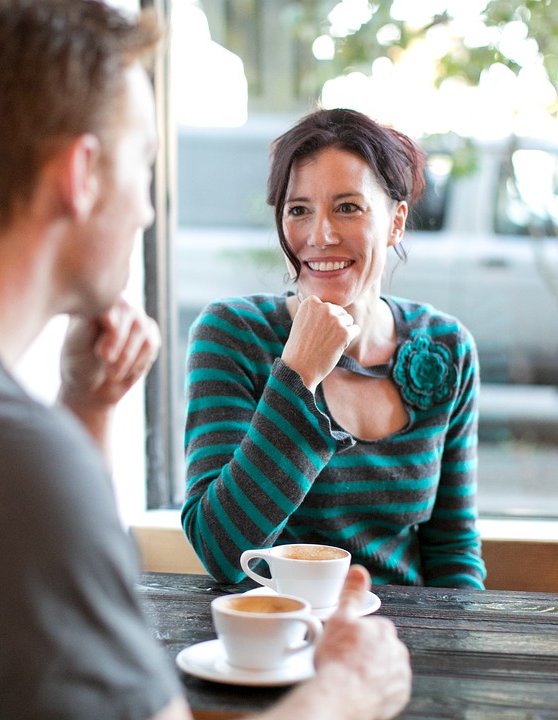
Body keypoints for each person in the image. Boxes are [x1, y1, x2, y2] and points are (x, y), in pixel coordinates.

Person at [0, 2, 410, 719]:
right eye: (144, 165)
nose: (147, 209)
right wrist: (345, 694)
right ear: (81, 174)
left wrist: (86, 407)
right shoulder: (6, 459)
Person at [182, 108, 487, 589]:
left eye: (348, 207)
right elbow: (221, 550)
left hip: (403, 642)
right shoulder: (232, 334)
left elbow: (453, 548)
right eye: (298, 209)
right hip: (277, 637)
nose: (319, 235)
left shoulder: (447, 346)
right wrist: (297, 373)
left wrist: (455, 650)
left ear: (395, 223)